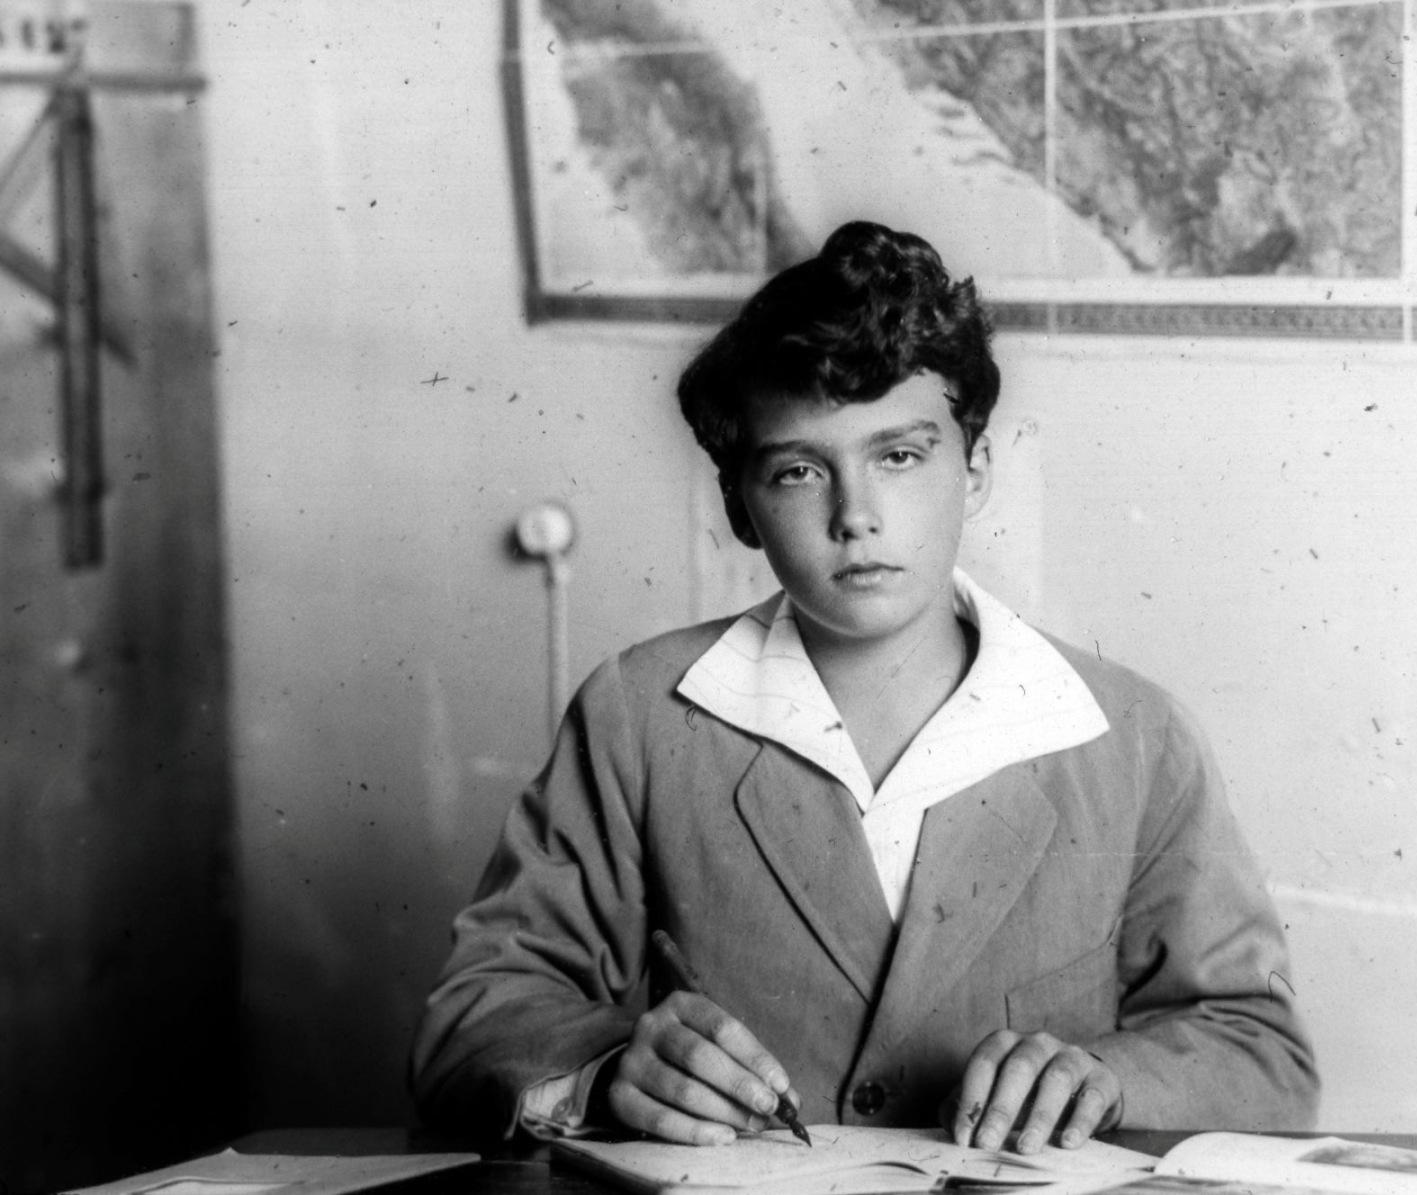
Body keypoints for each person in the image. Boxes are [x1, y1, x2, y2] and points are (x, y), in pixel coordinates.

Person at [409, 221, 1319, 1152]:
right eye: (800, 471)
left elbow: (1262, 1053)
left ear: (975, 470)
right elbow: (476, 1016)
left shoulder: (1132, 735)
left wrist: (1111, 1077)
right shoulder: (637, 715)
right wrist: (609, 1067)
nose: (855, 516)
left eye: (899, 456)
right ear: (741, 507)